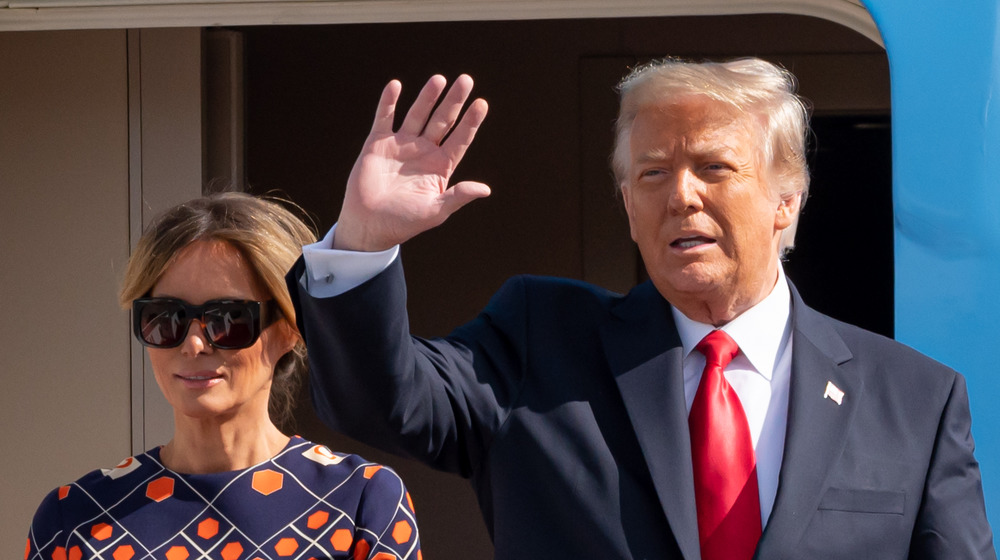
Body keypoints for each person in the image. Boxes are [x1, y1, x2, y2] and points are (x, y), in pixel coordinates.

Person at [286, 59, 996, 559]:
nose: (681, 195)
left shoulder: (914, 400)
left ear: (787, 200)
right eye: (652, 174)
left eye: (714, 168)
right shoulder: (542, 341)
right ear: (628, 208)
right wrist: (365, 241)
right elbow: (382, 401)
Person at [26, 193, 421, 560]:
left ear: (288, 329)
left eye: (228, 320)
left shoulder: (360, 502)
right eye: (165, 318)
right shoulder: (74, 518)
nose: (194, 344)